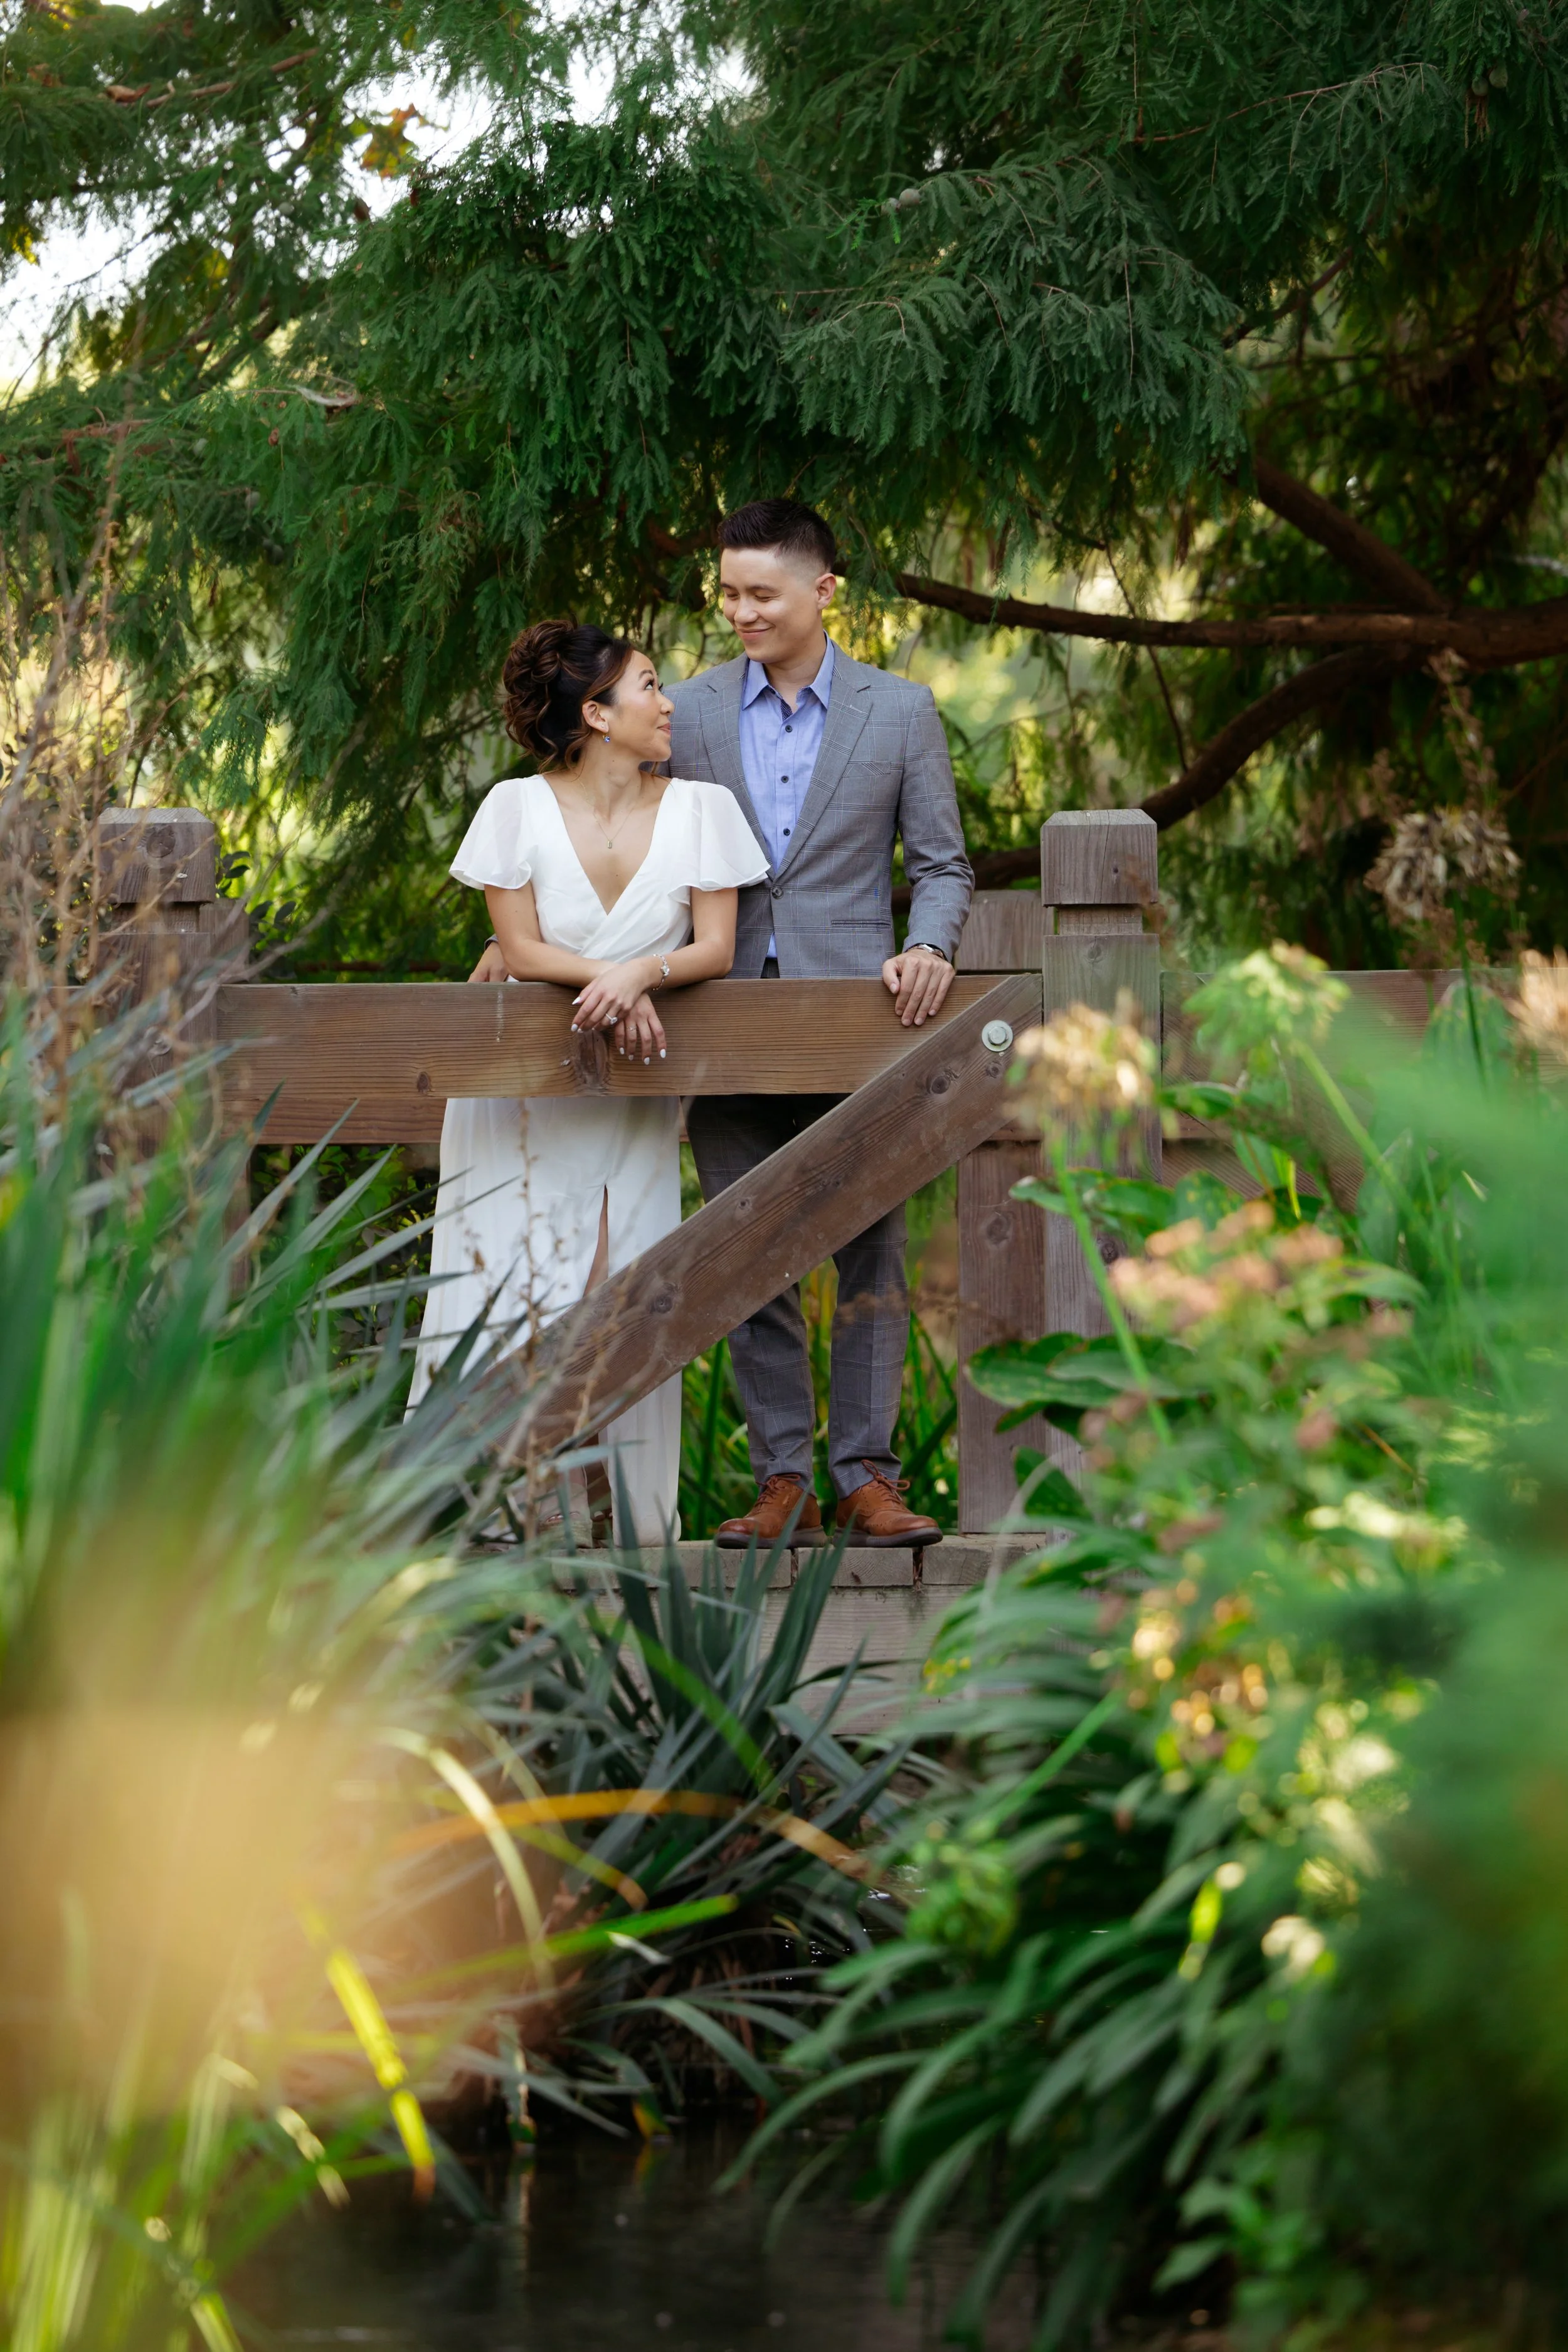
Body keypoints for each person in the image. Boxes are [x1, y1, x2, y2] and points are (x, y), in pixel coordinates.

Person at [411, 620, 769, 1545]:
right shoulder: (513, 810)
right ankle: (502, 1521)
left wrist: (638, 975)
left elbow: (715, 950)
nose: (668, 701)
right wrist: (601, 983)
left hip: (630, 1105)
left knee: (622, 1288)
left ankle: (620, 1522)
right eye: (648, 685)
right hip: (519, 1103)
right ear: (596, 713)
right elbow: (521, 948)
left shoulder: (702, 810)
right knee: (519, 1293)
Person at [670, 498, 974, 1550]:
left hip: (861, 1025)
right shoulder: (688, 711)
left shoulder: (902, 713)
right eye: (728, 593)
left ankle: (868, 1478)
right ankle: (783, 1481)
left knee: (871, 1257)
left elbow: (941, 866)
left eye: (760, 593)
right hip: (723, 1024)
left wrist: (930, 946)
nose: (739, 611)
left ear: (823, 591)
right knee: (751, 1255)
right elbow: (625, 843)